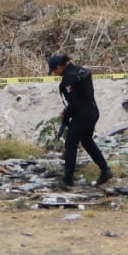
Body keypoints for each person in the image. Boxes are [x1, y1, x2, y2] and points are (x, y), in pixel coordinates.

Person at [47, 53, 112, 188]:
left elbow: (75, 103)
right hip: (93, 111)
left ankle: (68, 180)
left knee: (71, 144)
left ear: (59, 67)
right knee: (87, 141)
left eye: (54, 70)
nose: (54, 73)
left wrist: (65, 113)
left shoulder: (68, 79)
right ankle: (105, 170)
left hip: (82, 115)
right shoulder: (79, 71)